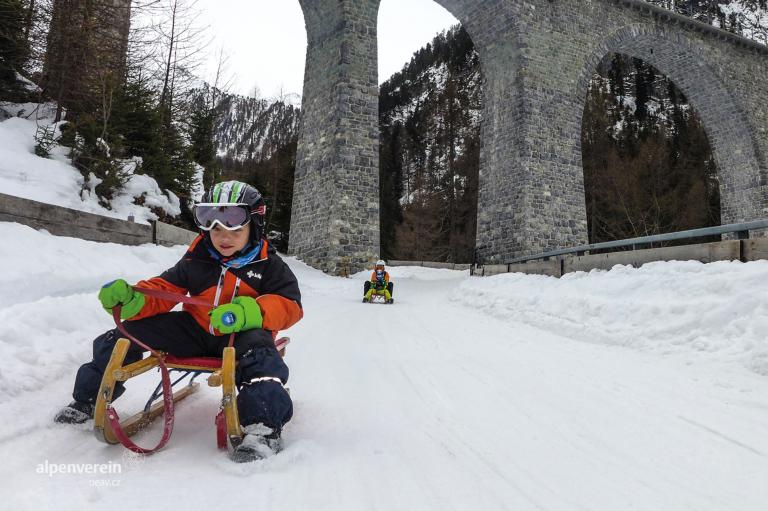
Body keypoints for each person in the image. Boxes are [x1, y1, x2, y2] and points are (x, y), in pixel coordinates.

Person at [54, 180, 303, 463]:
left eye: (235, 229)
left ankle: (263, 427)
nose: (224, 236)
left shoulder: (268, 264)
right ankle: (87, 399)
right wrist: (132, 299)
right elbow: (165, 290)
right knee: (126, 335)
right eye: (216, 228)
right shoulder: (197, 259)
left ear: (254, 227)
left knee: (261, 354)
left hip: (241, 336)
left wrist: (250, 312)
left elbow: (291, 305)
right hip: (195, 330)